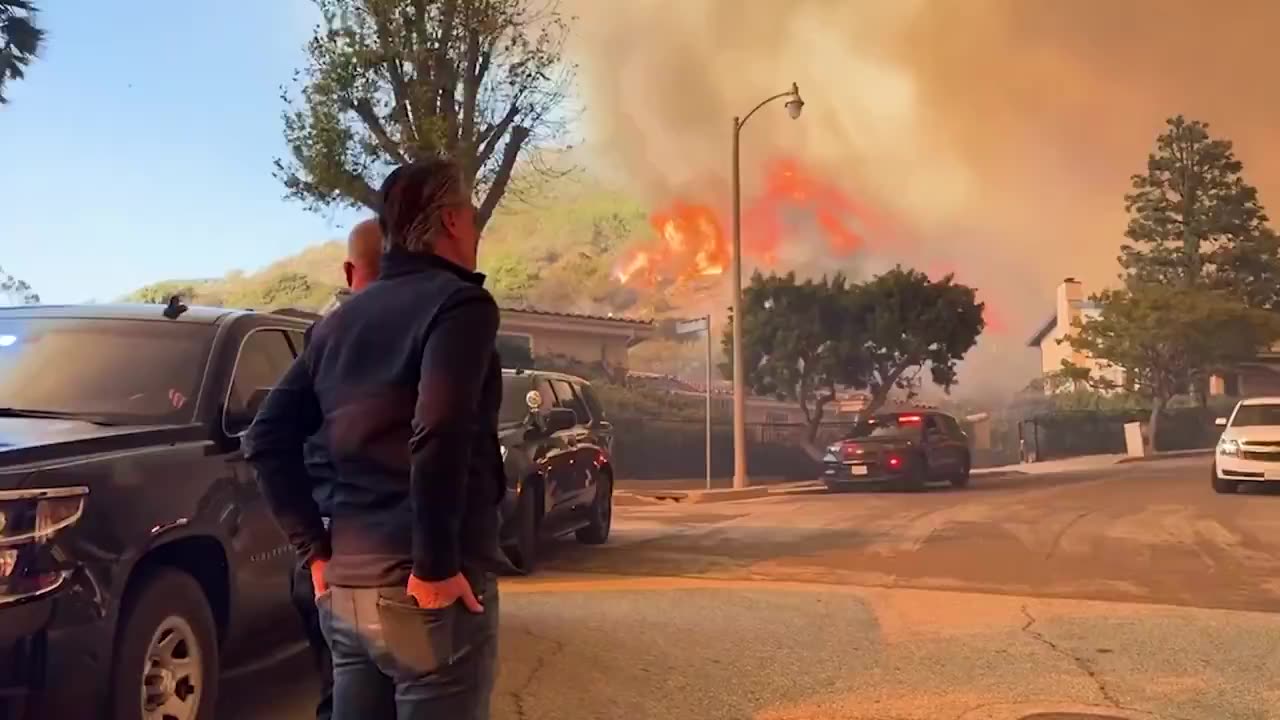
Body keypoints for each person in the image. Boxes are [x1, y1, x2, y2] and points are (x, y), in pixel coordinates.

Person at [246, 157, 509, 720]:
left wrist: (315, 554)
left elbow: (266, 437)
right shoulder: (459, 304)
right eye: (471, 213)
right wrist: (436, 564)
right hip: (421, 594)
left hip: (346, 588)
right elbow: (439, 427)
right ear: (453, 221)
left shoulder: (336, 323)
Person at [288, 217, 385, 720]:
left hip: (331, 549)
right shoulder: (427, 334)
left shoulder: (322, 337)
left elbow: (267, 438)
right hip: (392, 556)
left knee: (340, 692)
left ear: (350, 270)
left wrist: (313, 549)